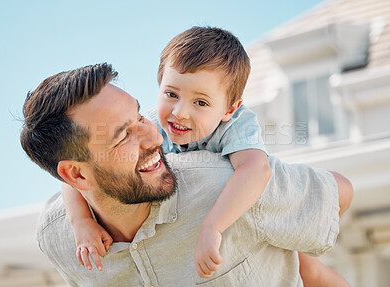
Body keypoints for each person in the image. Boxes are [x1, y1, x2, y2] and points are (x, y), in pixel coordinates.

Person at [60, 27, 352, 284]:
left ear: (229, 109)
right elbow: (81, 166)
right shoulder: (147, 126)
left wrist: (213, 226)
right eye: (171, 94)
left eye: (200, 102)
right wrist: (81, 222)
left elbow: (256, 170)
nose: (180, 112)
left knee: (308, 271)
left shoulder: (236, 125)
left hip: (260, 211)